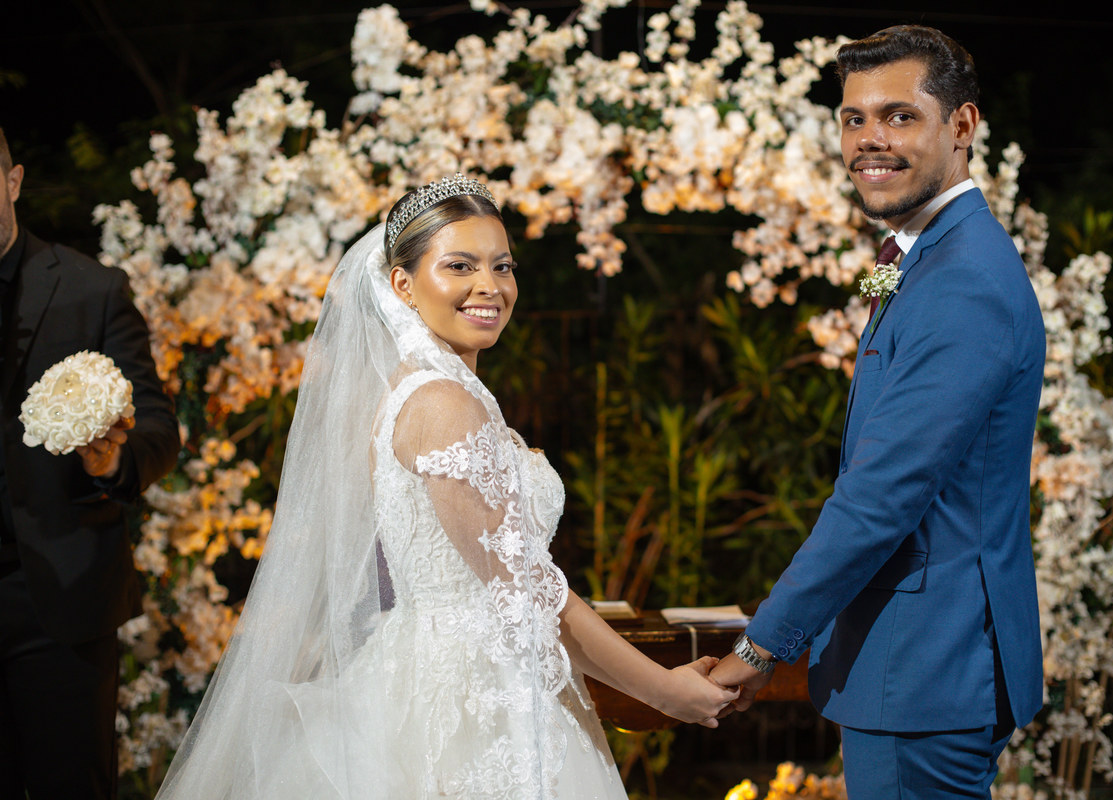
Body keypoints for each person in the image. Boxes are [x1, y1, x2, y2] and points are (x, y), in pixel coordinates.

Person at [154, 174, 737, 799]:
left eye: (502, 266)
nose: (489, 286)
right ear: (403, 285)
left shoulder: (423, 390)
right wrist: (664, 691)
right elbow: (526, 589)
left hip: (452, 666)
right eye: (460, 265)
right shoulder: (443, 404)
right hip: (466, 704)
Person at [711, 26, 1045, 799]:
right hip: (920, 665)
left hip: (923, 668)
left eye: (899, 116)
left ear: (961, 126)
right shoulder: (925, 256)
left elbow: (880, 498)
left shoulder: (962, 280)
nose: (870, 140)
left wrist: (762, 648)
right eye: (854, 119)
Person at [0, 126, 180, 798]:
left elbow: (159, 427)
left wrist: (112, 462)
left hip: (58, 606)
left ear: (13, 181)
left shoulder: (90, 289)